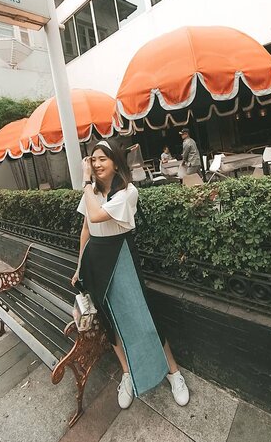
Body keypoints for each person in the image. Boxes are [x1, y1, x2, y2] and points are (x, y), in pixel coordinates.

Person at [72, 140, 189, 409]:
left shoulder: (127, 191)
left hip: (120, 255)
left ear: (115, 162)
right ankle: (127, 372)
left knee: (143, 316)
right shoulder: (92, 192)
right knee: (109, 319)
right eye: (93, 159)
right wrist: (79, 266)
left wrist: (85, 182)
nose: (97, 164)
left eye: (103, 159)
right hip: (94, 259)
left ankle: (174, 372)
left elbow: (98, 216)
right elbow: (86, 229)